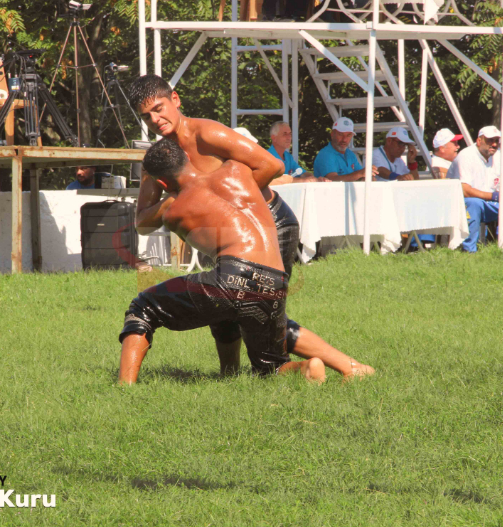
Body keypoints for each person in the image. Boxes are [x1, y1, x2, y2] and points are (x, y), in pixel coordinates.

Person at [129, 75, 373, 379]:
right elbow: (141, 222)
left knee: (262, 308)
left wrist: (229, 205)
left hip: (271, 220)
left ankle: (350, 367)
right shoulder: (157, 160)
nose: (155, 119)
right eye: (146, 115)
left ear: (175, 99)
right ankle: (229, 376)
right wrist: (169, 207)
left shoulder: (206, 133)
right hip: (226, 237)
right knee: (229, 305)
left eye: (159, 108)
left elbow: (272, 166)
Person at [447, 126, 503, 252]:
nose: (494, 144)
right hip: (460, 204)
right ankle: (469, 250)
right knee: (474, 203)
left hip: (488, 202)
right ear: (479, 141)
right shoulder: (466, 156)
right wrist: (496, 196)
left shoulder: (498, 158)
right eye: (490, 140)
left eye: (497, 140)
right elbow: (465, 190)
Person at [313, 117, 378, 182]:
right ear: (332, 134)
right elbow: (332, 180)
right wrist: (360, 174)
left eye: (348, 135)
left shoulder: (350, 154)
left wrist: (369, 176)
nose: (344, 139)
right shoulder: (326, 154)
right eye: (340, 134)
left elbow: (361, 175)